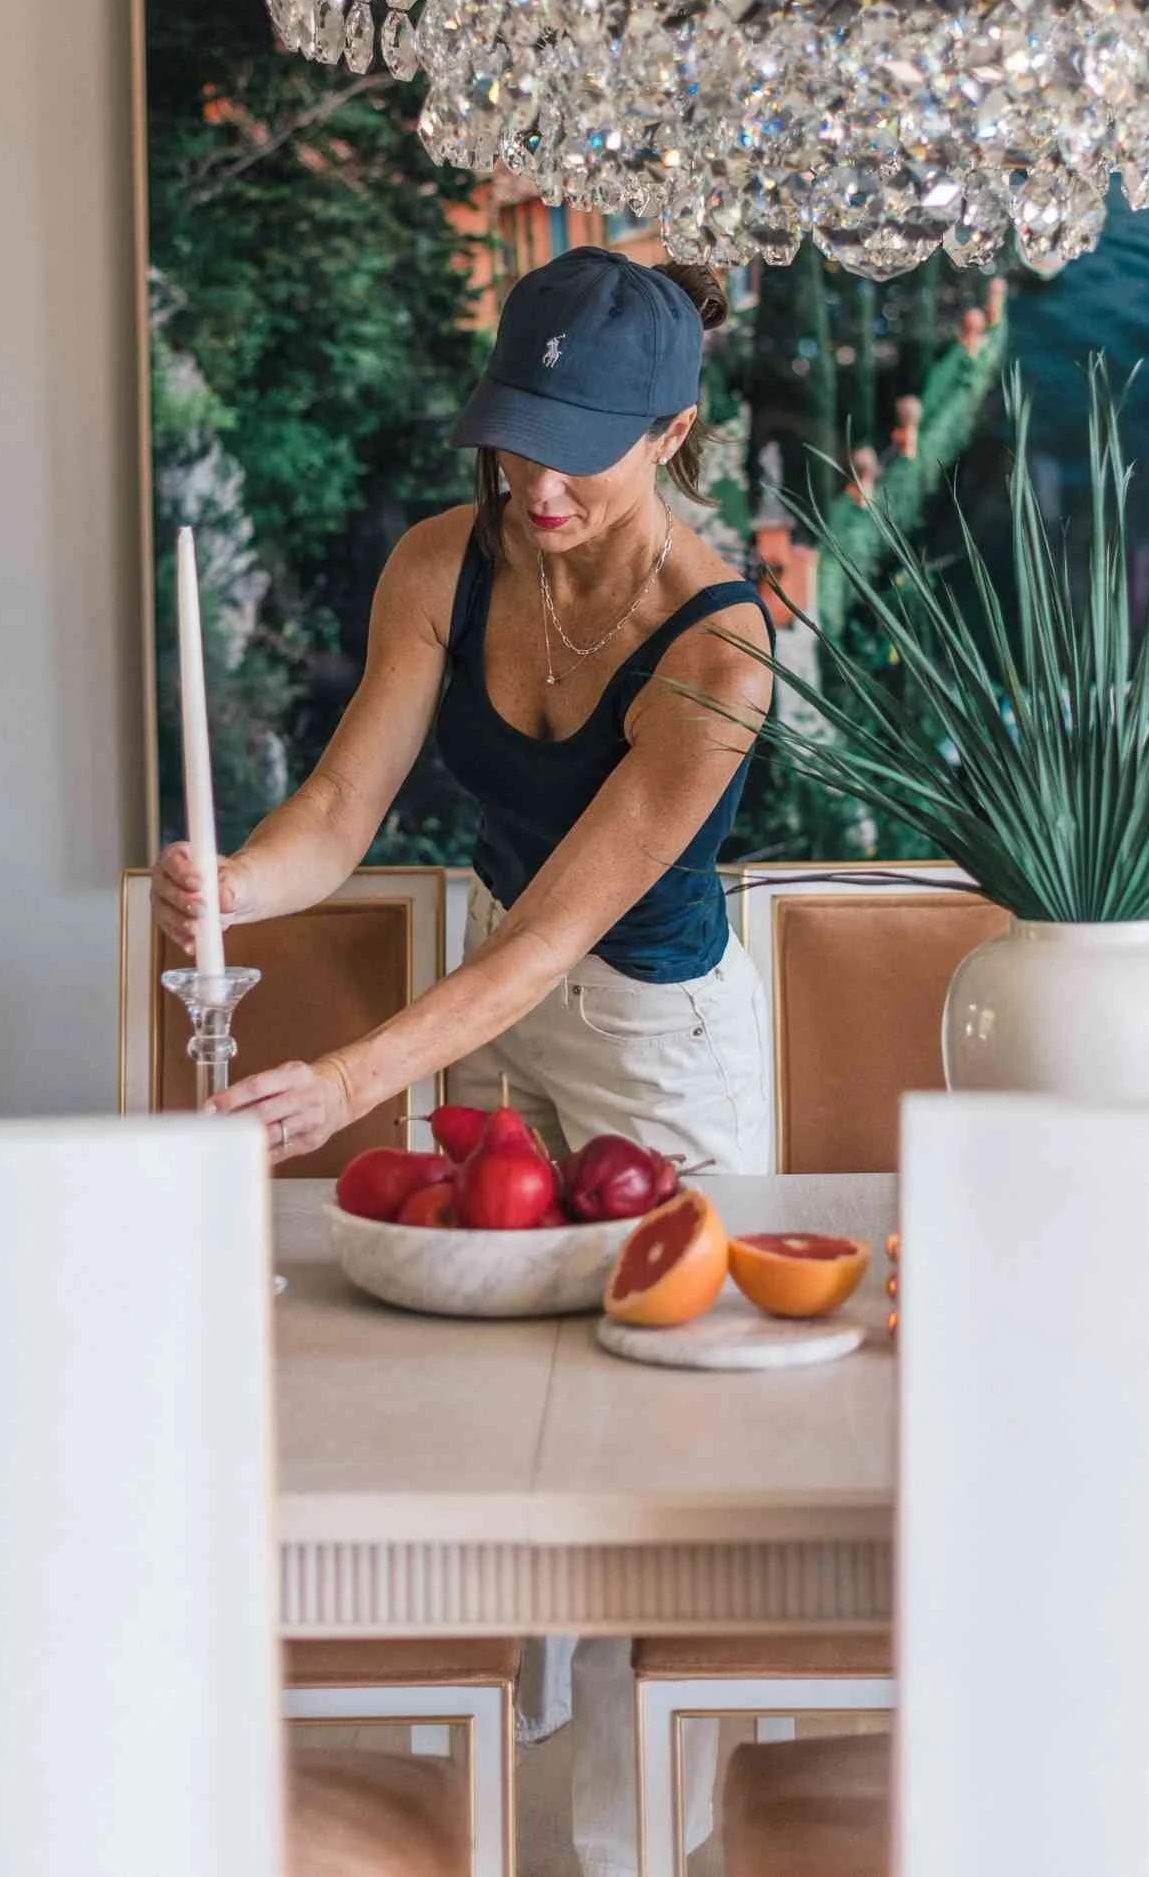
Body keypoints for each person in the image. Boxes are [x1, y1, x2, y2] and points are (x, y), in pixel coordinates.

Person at [153, 244, 775, 1877]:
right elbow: (340, 815)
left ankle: (647, 1839)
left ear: (675, 432)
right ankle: (508, 1793)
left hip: (655, 1026)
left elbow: (554, 944)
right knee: (491, 1391)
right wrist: (238, 885)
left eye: (580, 443)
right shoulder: (449, 558)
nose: (537, 480)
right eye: (515, 435)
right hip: (500, 984)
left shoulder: (720, 656)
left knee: (660, 1439)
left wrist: (353, 1081)